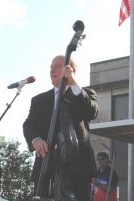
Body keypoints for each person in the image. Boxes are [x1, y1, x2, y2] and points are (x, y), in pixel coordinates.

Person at [23, 55, 98, 201]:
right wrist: (35, 139)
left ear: (71, 70)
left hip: (79, 170)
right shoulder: (39, 100)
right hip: (46, 168)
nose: (52, 71)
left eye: (57, 66)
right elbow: (29, 124)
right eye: (50, 67)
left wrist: (73, 83)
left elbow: (91, 112)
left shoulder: (85, 93)